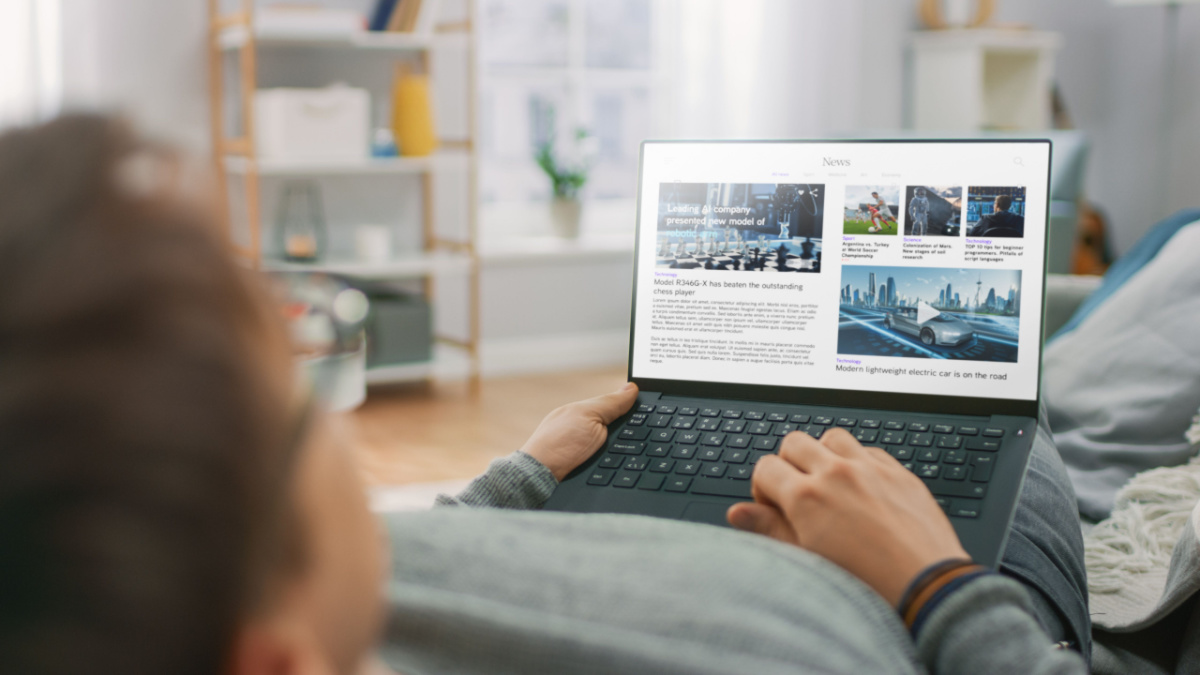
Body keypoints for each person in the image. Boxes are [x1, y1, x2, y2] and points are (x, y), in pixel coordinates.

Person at [0, 116, 1089, 674]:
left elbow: (398, 560)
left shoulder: (206, 595)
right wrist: (935, 578)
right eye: (299, 398)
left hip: (748, 521)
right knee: (1033, 426)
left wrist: (522, 476)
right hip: (919, 584)